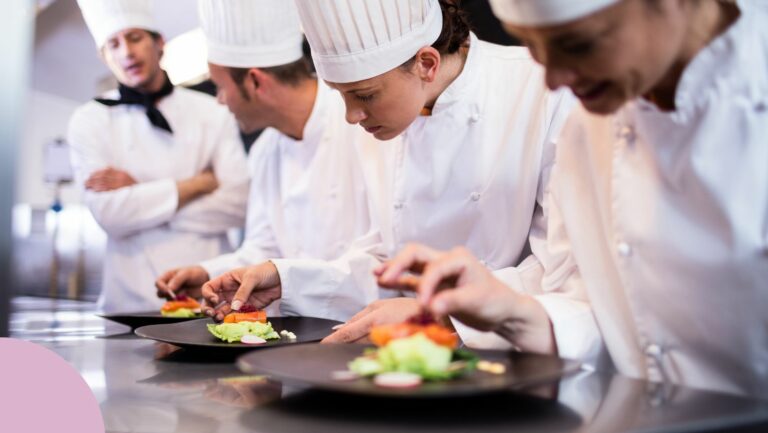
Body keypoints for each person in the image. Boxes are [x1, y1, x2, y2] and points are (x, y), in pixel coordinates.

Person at [378, 0, 768, 398]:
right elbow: (611, 318)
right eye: (534, 48)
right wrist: (512, 311)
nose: (553, 81)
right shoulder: (588, 128)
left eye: (578, 45)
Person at [201, 0, 576, 338]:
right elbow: (389, 264)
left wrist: (439, 313)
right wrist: (289, 279)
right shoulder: (387, 121)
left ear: (426, 63)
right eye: (341, 95)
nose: (351, 116)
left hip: (518, 358)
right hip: (415, 358)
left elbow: (559, 274)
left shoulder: (543, 91)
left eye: (364, 95)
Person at [155, 0, 382, 321]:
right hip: (293, 333)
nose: (220, 102)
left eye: (220, 88)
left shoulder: (365, 122)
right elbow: (262, 249)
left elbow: (383, 253)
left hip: (368, 327)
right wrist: (206, 272)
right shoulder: (264, 150)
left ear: (255, 81)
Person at [69, 0, 249, 312]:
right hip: (127, 303)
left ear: (159, 43)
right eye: (114, 44)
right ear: (104, 57)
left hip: (208, 297)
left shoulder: (212, 111)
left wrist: (139, 193)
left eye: (135, 38)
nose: (126, 52)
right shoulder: (89, 119)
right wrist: (195, 185)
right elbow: (109, 215)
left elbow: (238, 204)